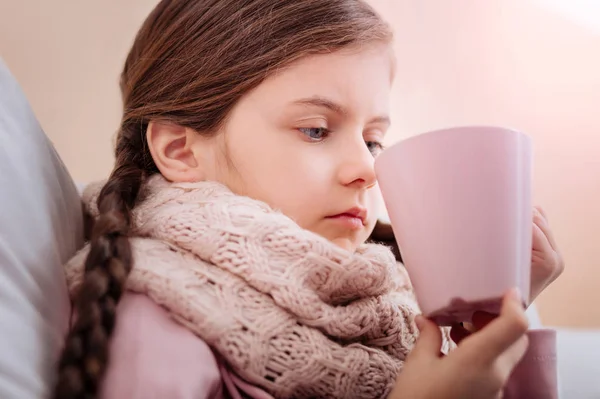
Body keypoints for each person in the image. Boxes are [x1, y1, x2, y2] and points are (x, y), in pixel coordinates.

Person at [53, 1, 564, 398]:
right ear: (181, 150)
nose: (368, 168)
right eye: (316, 130)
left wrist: (498, 324)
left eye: (373, 140)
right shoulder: (158, 319)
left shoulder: (391, 306)